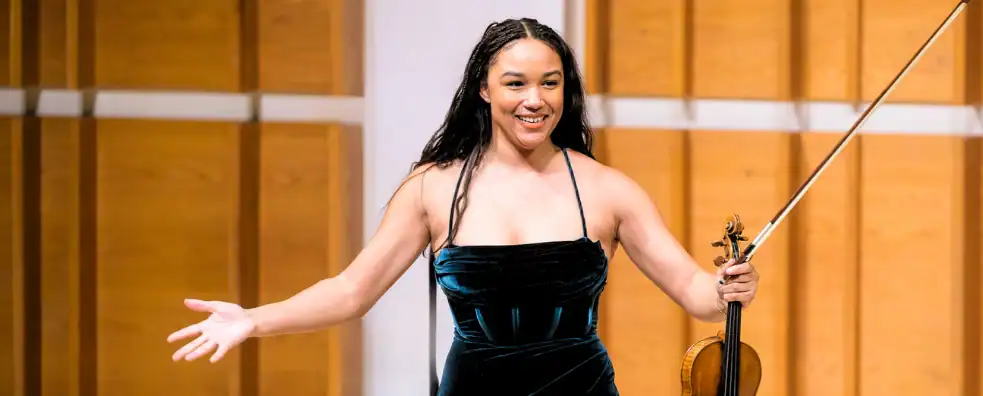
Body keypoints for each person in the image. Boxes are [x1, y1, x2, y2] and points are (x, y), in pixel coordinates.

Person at [165, 17, 759, 395]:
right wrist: (254, 319)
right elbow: (350, 292)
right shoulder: (433, 188)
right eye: (516, 83)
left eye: (551, 83)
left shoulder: (608, 190)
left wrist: (728, 286)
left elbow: (697, 294)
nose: (535, 100)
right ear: (483, 88)